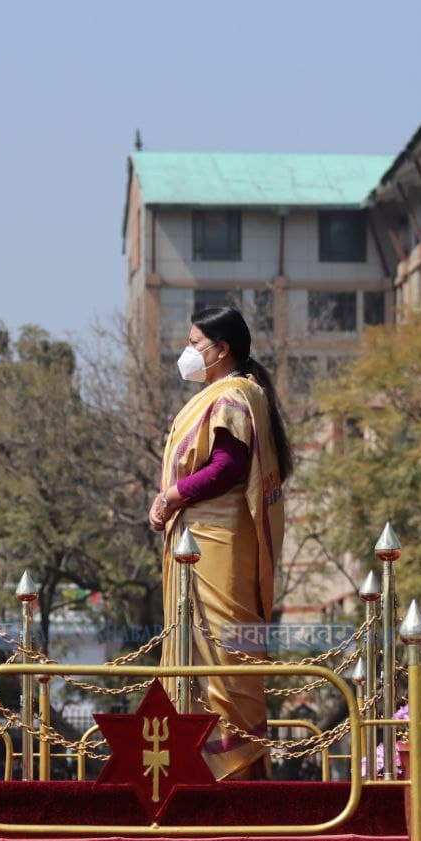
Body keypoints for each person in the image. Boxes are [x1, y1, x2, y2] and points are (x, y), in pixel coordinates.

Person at [151, 305, 289, 781]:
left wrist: (171, 495)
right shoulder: (224, 393)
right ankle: (194, 769)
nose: (187, 352)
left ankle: (234, 773)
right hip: (199, 538)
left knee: (225, 656)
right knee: (198, 651)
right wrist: (167, 502)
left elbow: (229, 467)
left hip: (219, 541)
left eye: (195, 343)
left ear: (221, 348)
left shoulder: (234, 395)